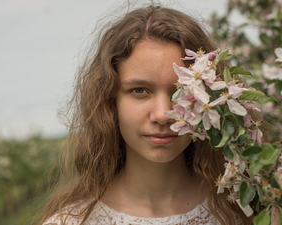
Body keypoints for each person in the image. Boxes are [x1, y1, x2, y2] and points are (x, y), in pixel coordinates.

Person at [38, 3, 258, 225]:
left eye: (180, 92)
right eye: (139, 90)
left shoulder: (246, 212)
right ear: (110, 100)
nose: (163, 115)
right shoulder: (71, 222)